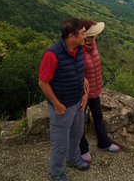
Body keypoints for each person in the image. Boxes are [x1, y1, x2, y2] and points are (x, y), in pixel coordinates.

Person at [38, 18, 90, 181]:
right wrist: (57, 105)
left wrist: (84, 92)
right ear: (71, 36)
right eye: (82, 34)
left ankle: (73, 159)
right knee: (60, 142)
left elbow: (78, 72)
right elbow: (43, 82)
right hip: (62, 106)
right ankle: (57, 173)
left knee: (76, 133)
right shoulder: (52, 54)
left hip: (78, 102)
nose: (85, 37)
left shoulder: (79, 48)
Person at [79, 20, 120, 164]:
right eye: (92, 34)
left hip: (94, 91)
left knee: (98, 118)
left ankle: (104, 143)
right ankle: (82, 149)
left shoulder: (93, 46)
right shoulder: (78, 50)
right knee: (79, 123)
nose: (94, 36)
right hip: (82, 94)